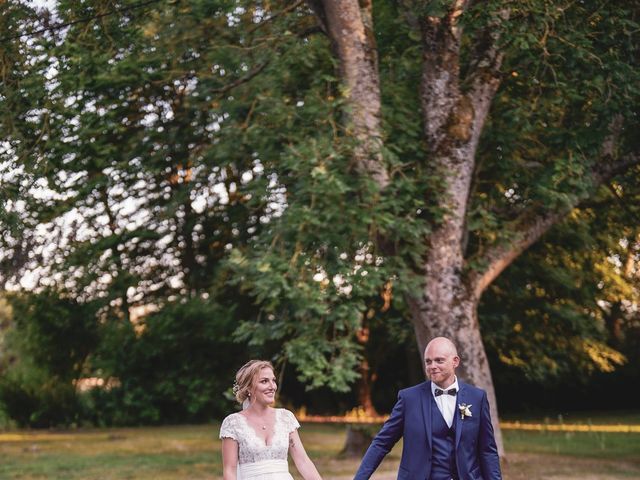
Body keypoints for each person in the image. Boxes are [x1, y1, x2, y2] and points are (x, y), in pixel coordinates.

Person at [353, 337, 502, 480]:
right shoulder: (409, 399)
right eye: (428, 362)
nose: (432, 366)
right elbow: (381, 443)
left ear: (455, 361)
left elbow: (487, 450)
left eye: (439, 360)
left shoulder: (477, 398)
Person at [220, 359, 323, 480]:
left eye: (273, 380)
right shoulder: (233, 423)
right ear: (248, 388)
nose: (272, 386)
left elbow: (303, 461)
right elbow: (230, 471)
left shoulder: (286, 417)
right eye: (264, 381)